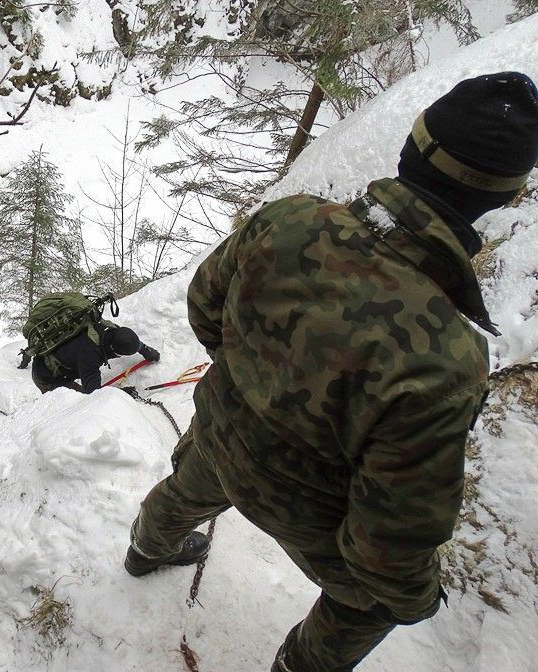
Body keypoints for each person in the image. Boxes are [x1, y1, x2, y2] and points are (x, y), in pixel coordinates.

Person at [123, 72, 538, 672]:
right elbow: (389, 544)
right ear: (504, 197)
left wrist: (250, 381)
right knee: (375, 604)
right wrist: (415, 600)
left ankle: (145, 549)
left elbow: (204, 306)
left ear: (411, 148)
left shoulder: (288, 219)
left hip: (220, 433)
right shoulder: (446, 358)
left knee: (189, 484)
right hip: (311, 511)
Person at [31, 322, 160, 394]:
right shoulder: (89, 356)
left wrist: (146, 350)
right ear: (114, 352)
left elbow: (128, 340)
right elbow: (93, 395)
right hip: (46, 376)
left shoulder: (108, 329)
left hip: (60, 355)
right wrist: (123, 394)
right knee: (76, 403)